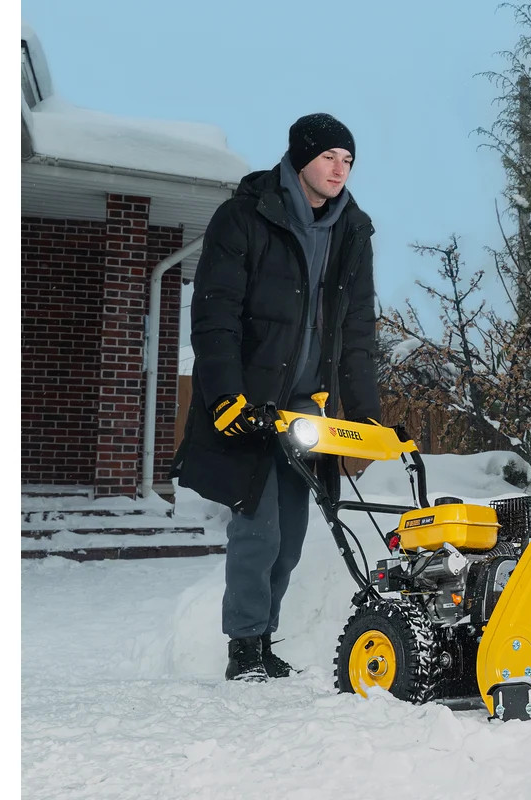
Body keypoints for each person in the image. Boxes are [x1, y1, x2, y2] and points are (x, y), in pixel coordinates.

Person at [170, 113, 381, 682]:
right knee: (257, 530)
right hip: (250, 403)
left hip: (306, 408)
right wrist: (226, 397)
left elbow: (357, 330)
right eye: (329, 157)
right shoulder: (245, 216)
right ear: (300, 157)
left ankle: (264, 639)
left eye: (348, 160)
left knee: (290, 536)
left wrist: (367, 416)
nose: (339, 169)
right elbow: (215, 315)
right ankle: (244, 646)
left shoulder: (352, 230)